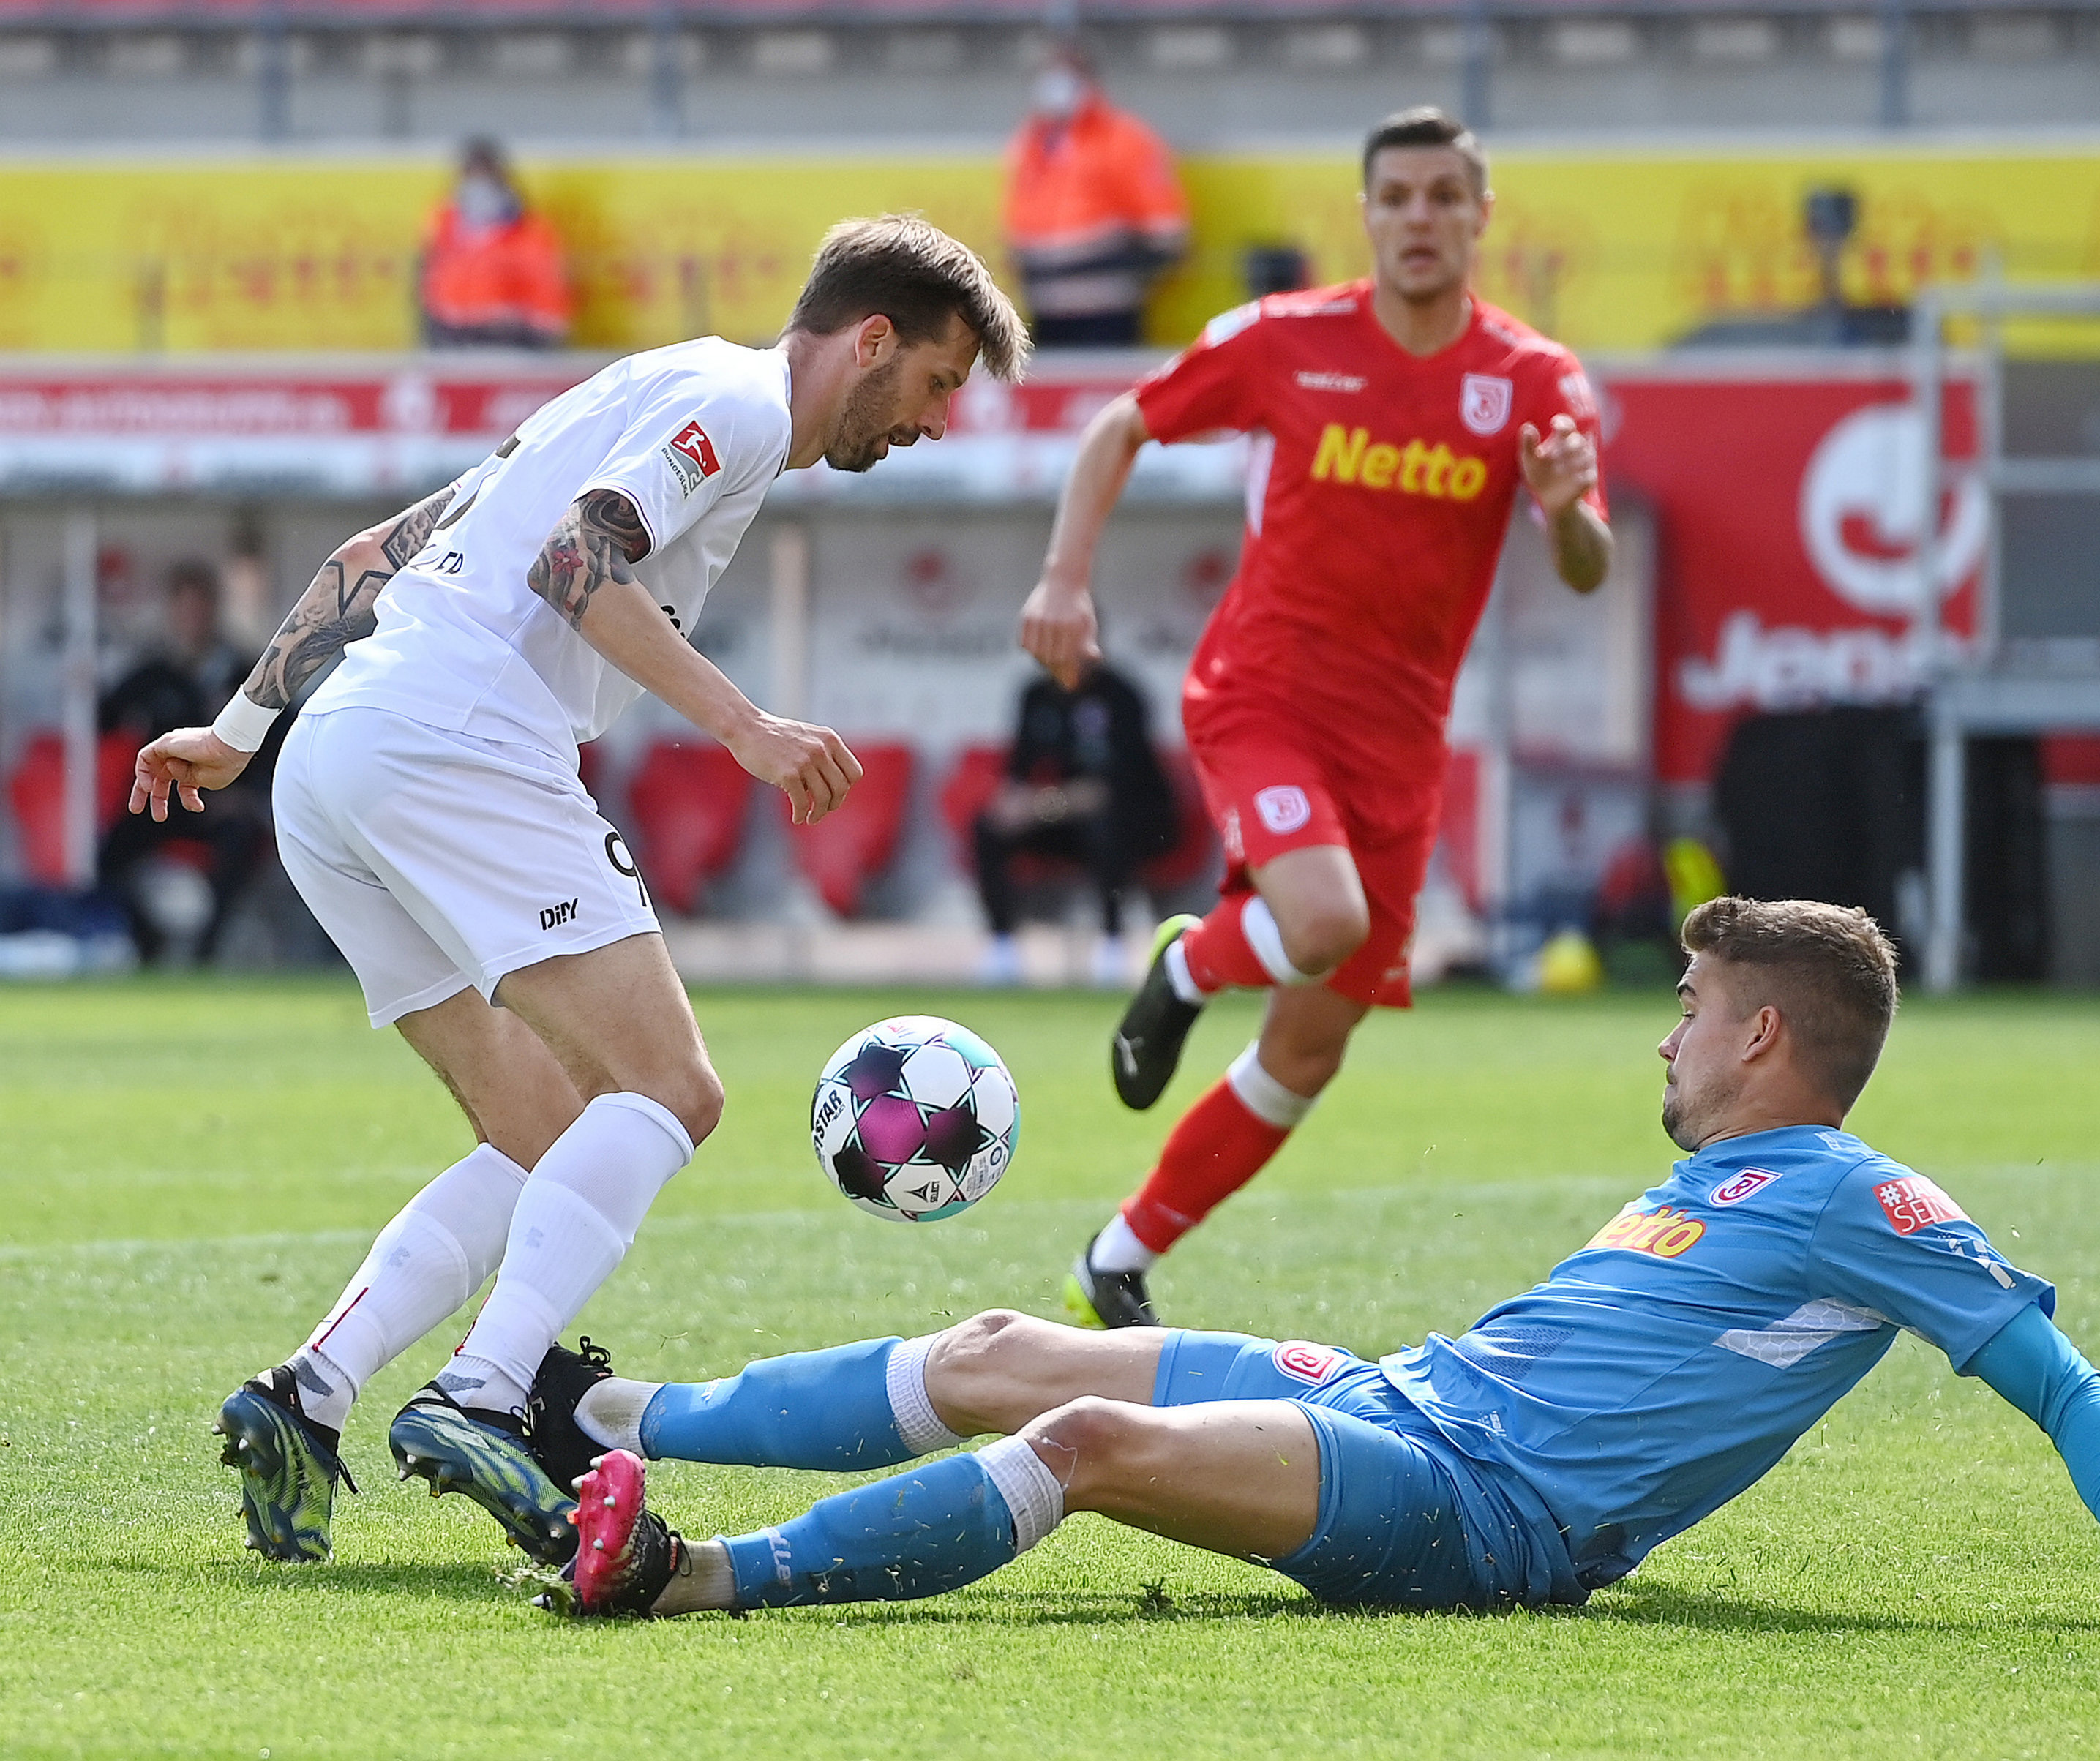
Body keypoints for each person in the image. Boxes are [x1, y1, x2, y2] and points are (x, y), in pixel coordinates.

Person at [516, 897, 2100, 1642]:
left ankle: (689, 1576)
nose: (1663, 1038)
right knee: (1002, 1341)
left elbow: (2052, 1375)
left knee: (1076, 1436)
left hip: (1478, 1510)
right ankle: (592, 1407)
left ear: (1764, 1031)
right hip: (1399, 1392)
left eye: (1687, 1010)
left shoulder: (1864, 1204)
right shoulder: (1738, 1173)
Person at [129, 215, 1029, 1566]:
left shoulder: (644, 385)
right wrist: (749, 729)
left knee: (540, 1123)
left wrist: (244, 730)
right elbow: (573, 567)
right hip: (460, 745)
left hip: (338, 758)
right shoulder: (731, 403)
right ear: (872, 338)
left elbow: (380, 547)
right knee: (673, 1091)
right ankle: (486, 1393)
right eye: (940, 381)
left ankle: (305, 1393)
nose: (937, 419)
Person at [1017, 107, 1613, 1329]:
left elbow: (1588, 566)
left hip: (1399, 746)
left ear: (1478, 215)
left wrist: (1561, 511)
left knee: (1305, 1051)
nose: (1418, 218)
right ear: (1365, 213)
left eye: (1443, 196)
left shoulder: (1532, 382)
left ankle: (1113, 1261)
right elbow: (1118, 422)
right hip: (1265, 691)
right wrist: (1063, 577)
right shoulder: (1290, 340)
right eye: (1394, 195)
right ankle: (1184, 967)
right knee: (1322, 917)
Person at [96, 560, 266, 964]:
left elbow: (277, 741)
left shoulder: (245, 674)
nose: (193, 618)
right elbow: (103, 718)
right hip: (165, 797)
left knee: (240, 841)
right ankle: (137, 945)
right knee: (112, 849)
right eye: (185, 608)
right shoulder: (154, 675)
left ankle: (208, 952)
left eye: (201, 607)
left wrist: (247, 796)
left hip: (223, 797)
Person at [972, 659, 1177, 988]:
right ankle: (1002, 947)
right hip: (1061, 817)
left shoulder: (1121, 695)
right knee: (989, 828)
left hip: (1136, 822)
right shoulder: (1036, 695)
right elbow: (1019, 771)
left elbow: (1109, 790)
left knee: (1106, 828)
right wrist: (1012, 804)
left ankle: (1112, 944)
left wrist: (1041, 804)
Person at [1002, 40, 1188, 347]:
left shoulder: (1125, 140)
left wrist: (1110, 264)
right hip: (1042, 308)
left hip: (1107, 311)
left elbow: (1167, 236)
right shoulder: (1033, 141)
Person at [419, 138, 574, 350]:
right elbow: (426, 283)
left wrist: (539, 338)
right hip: (453, 342)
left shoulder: (530, 230)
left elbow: (549, 293)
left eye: (486, 174)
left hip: (513, 343)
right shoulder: (444, 224)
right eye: (471, 174)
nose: (478, 184)